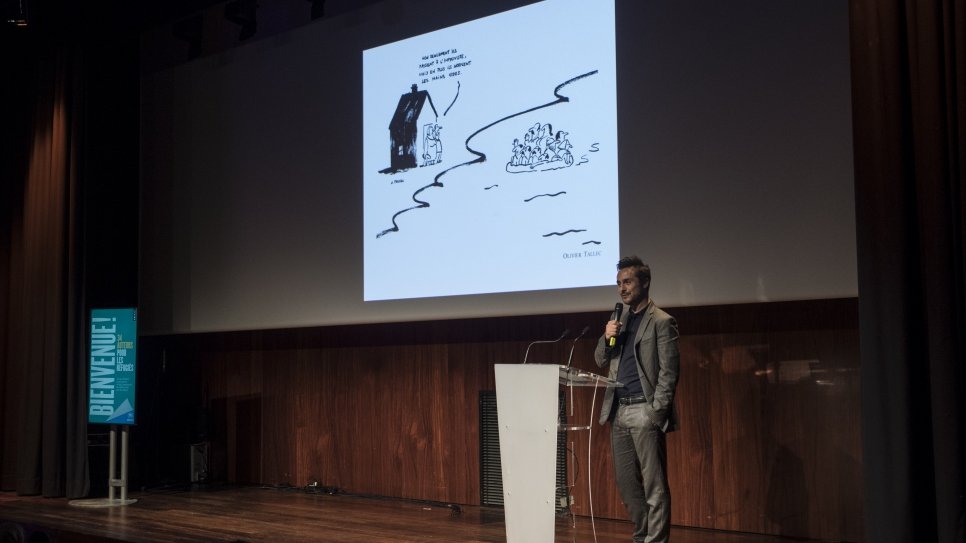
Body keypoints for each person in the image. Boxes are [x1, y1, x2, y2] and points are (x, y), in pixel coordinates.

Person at [594, 256, 680, 543]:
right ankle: (641, 535)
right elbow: (599, 359)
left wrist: (657, 411)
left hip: (645, 409)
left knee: (654, 486)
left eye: (627, 282)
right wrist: (608, 337)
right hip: (618, 410)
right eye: (619, 283)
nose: (622, 289)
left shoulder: (662, 322)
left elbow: (669, 372)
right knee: (627, 484)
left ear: (644, 282)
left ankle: (655, 540)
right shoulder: (618, 320)